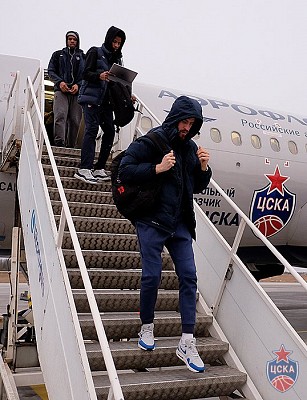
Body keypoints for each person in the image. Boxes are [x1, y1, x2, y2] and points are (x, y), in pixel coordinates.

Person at [118, 96, 212, 373]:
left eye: (192, 123)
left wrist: (204, 168)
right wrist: (157, 168)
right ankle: (146, 326)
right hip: (151, 221)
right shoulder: (152, 141)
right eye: (184, 121)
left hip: (179, 224)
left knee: (189, 278)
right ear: (175, 118)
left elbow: (195, 186)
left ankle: (186, 341)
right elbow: (125, 170)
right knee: (151, 276)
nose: (187, 127)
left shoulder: (190, 148)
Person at [74, 26, 126, 184]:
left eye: (119, 43)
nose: (116, 45)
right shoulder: (95, 52)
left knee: (110, 131)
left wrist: (127, 93)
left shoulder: (117, 60)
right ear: (109, 39)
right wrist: (99, 76)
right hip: (91, 98)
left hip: (106, 101)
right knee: (92, 129)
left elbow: (118, 82)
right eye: (114, 41)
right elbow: (84, 74)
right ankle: (84, 168)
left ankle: (99, 168)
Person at [48, 31, 85, 148]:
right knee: (60, 115)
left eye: (74, 39)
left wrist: (78, 85)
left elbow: (86, 75)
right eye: (70, 39)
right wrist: (60, 82)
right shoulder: (57, 55)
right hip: (61, 91)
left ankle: (71, 146)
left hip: (77, 93)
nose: (72, 41)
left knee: (75, 120)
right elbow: (51, 71)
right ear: (66, 40)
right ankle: (60, 143)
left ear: (78, 41)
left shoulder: (84, 57)